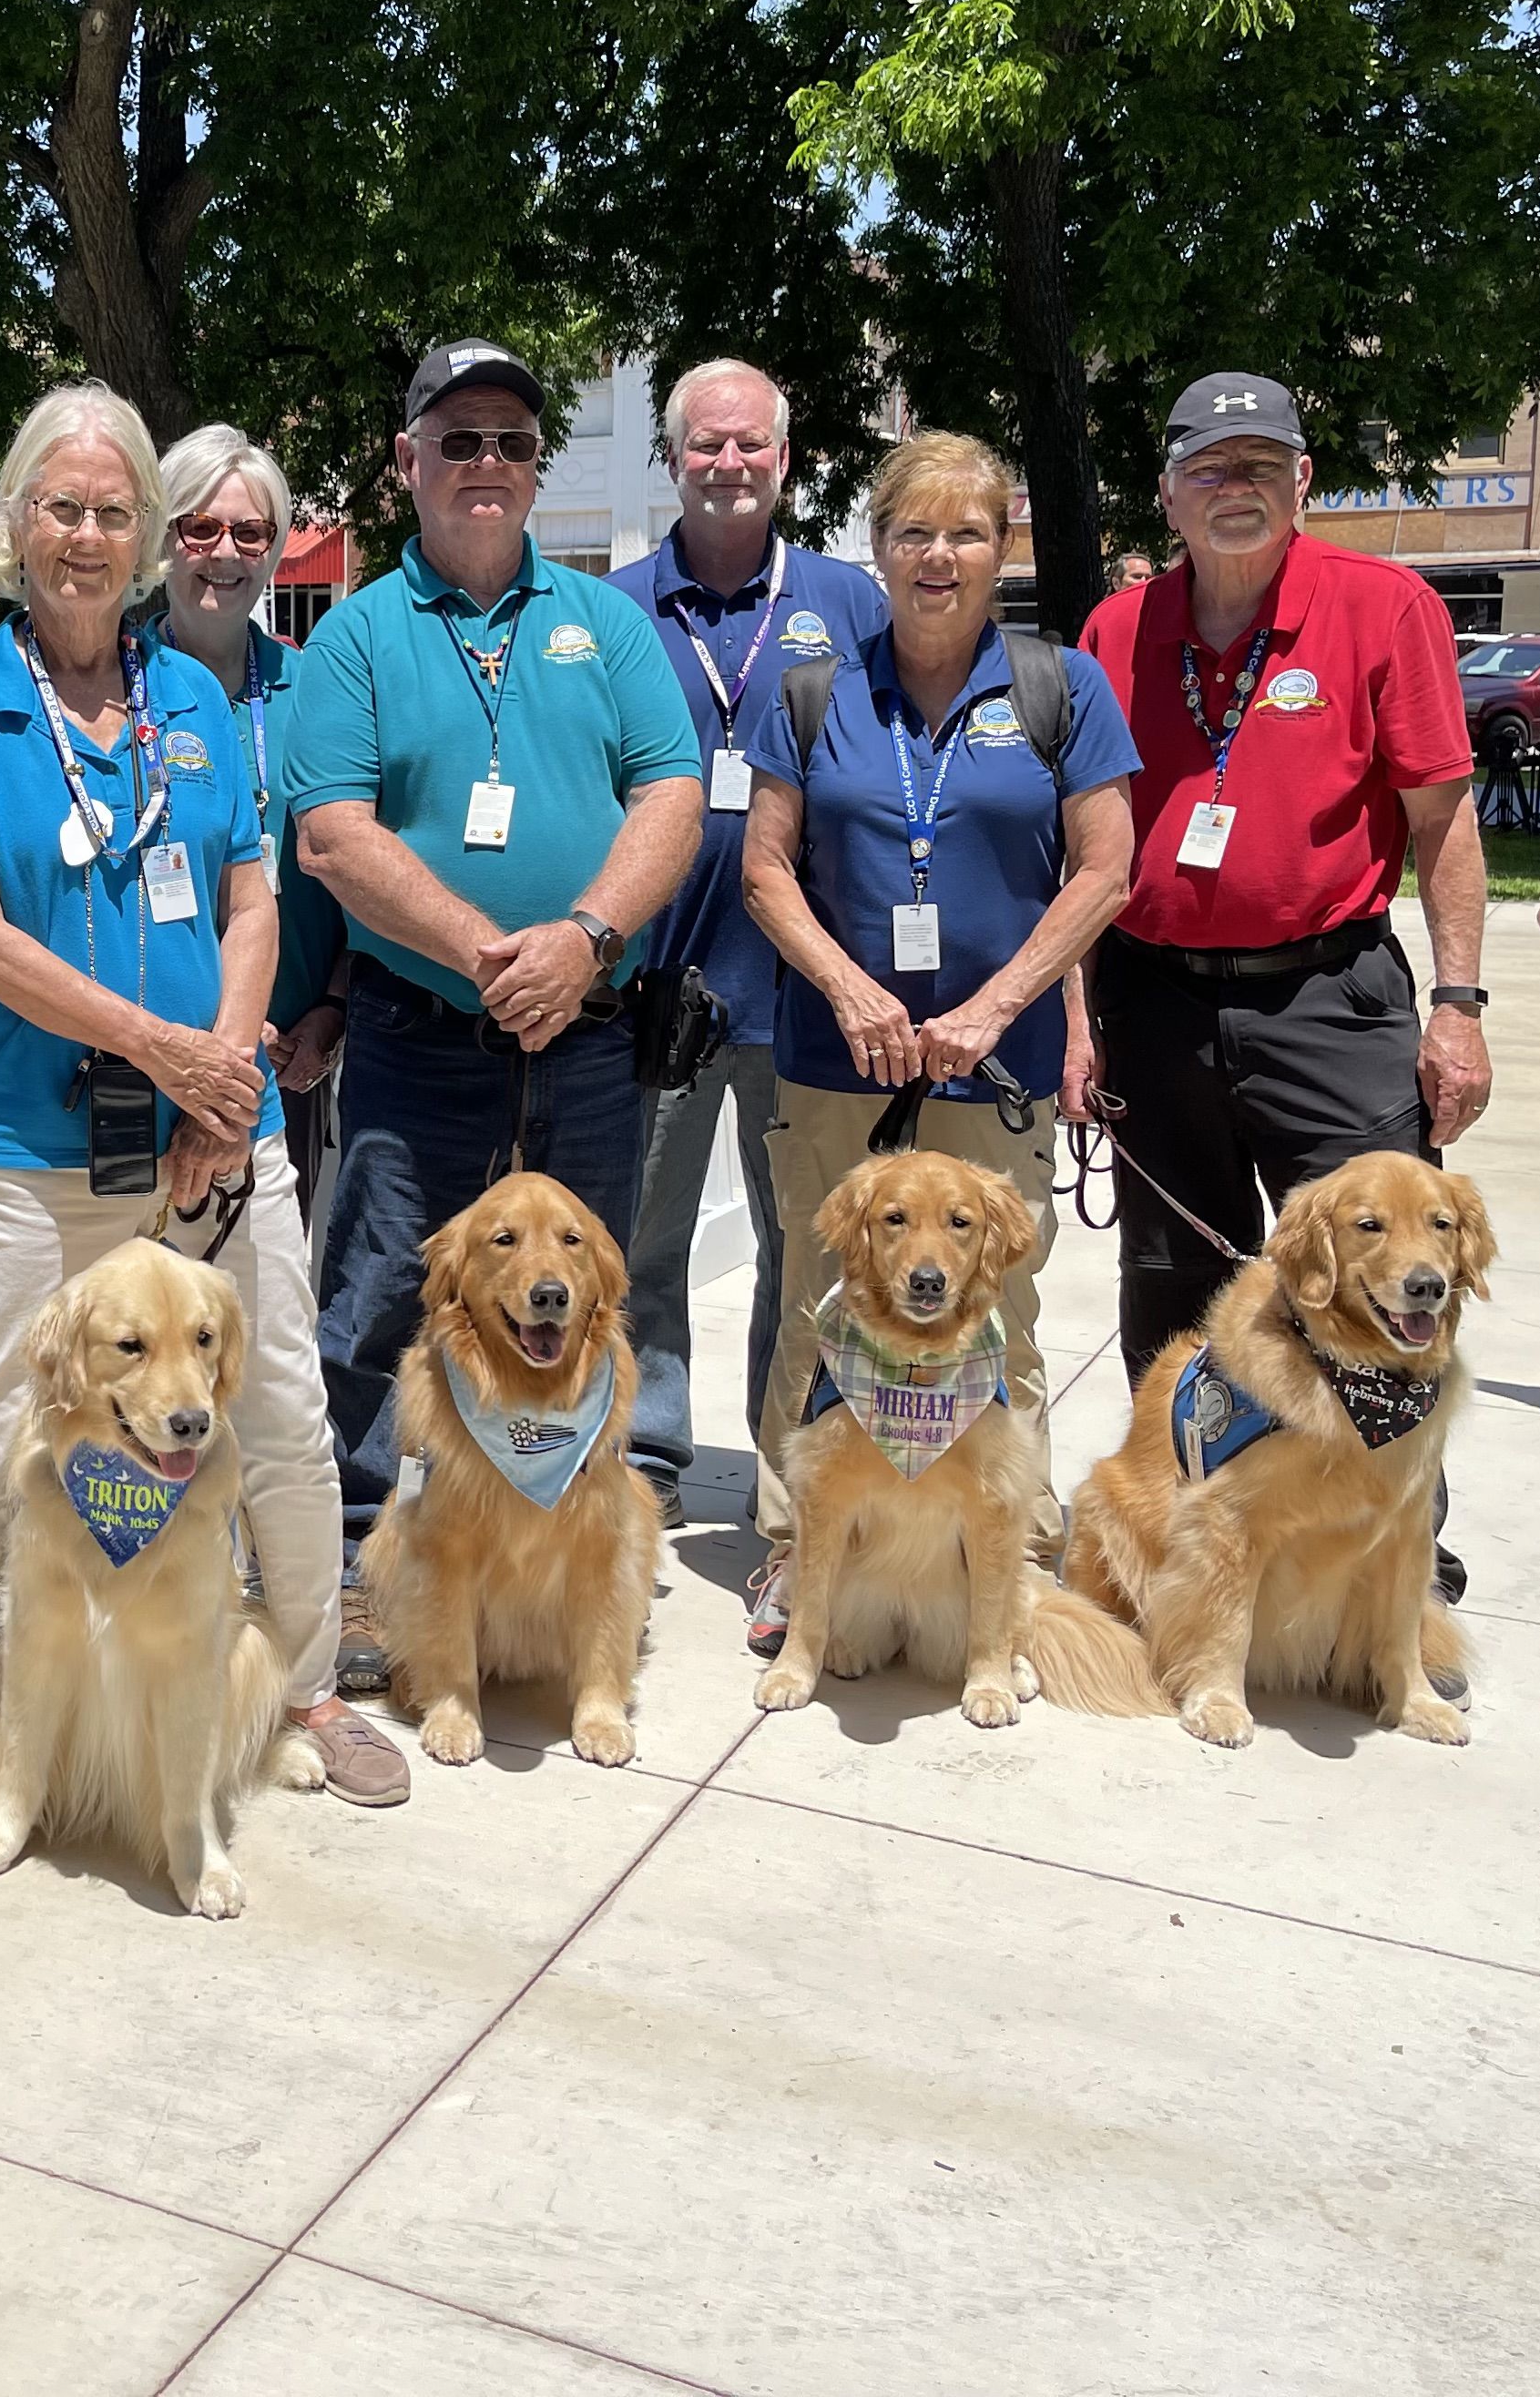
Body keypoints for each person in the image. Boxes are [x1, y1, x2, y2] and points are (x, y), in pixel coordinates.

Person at [0, 380, 410, 1864]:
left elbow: (255, 896)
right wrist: (164, 1051)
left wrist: (222, 1074)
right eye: (63, 507)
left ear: (149, 538)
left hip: (214, 1151)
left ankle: (305, 1692)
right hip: (34, 1157)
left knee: (284, 1421)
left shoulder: (192, 695)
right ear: (12, 527)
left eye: (116, 511)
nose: (89, 535)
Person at [1078, 371, 1490, 1605]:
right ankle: (1186, 1513)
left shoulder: (1385, 605)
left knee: (1379, 1273)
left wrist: (1456, 1006)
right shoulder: (1115, 629)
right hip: (1150, 997)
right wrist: (1075, 1026)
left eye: (1261, 464)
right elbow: (1079, 846)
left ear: (1304, 480)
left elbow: (1442, 819)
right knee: (1171, 1281)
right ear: (1165, 493)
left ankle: (1393, 1536)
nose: (1234, 488)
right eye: (1207, 467)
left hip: (1329, 996)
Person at [283, 339, 705, 1538]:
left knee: (577, 1293)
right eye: (457, 439)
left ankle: (567, 1544)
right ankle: (363, 1550)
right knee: (373, 1298)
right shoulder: (354, 639)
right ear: (405, 459)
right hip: (418, 1034)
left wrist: (582, 937)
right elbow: (333, 836)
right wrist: (487, 953)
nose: (486, 462)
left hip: (585, 1033)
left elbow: (670, 795)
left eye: (511, 442)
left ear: (535, 469)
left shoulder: (603, 622)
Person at [741, 430, 1137, 1648]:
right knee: (819, 1305)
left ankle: (1003, 1549)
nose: (937, 556)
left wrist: (998, 1009)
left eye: (965, 532)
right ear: (878, 548)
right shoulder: (811, 689)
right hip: (831, 1058)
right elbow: (763, 868)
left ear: (1000, 548)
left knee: (992, 1310)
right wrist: (853, 992)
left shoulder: (1057, 687)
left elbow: (1104, 871)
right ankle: (791, 1548)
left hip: (993, 1069)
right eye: (912, 531)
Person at [609, 362, 888, 1521]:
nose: (728, 465)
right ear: (670, 459)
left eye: (750, 446)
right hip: (659, 988)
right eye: (705, 446)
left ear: (787, 457)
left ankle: (792, 1460)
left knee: (803, 1249)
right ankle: (646, 1456)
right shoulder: (615, 608)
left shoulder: (852, 603)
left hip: (803, 987)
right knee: (643, 1238)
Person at [137, 424, 349, 1192]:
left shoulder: (323, 690)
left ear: (275, 548)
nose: (224, 553)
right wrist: (221, 1035)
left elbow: (361, 865)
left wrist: (329, 1011)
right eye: (200, 527)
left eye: (250, 532)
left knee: (268, 1301)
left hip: (295, 1058)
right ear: (164, 538)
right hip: (152, 1055)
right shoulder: (107, 693)